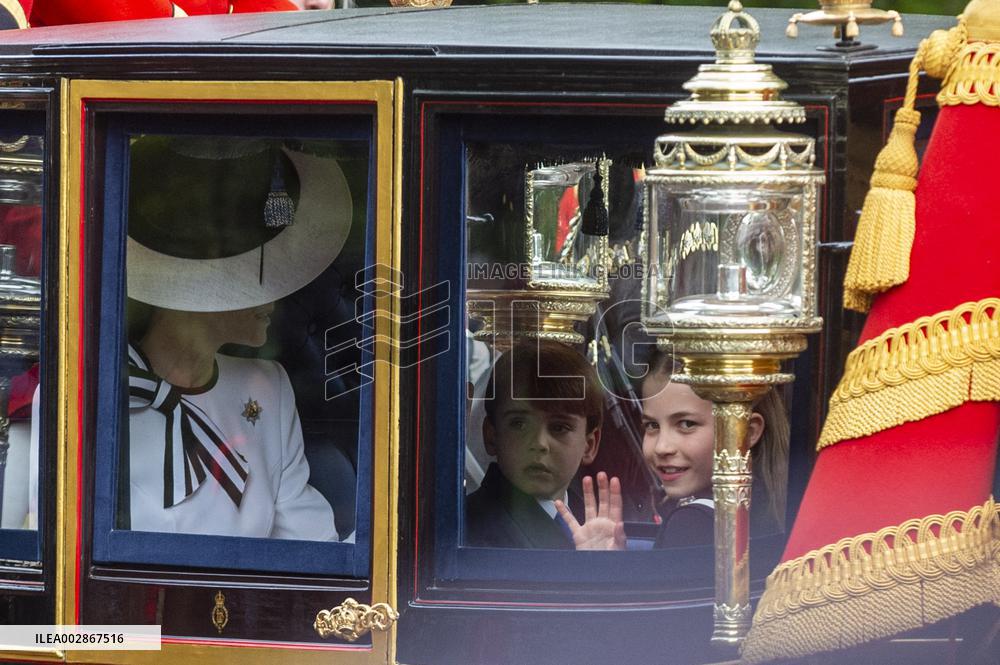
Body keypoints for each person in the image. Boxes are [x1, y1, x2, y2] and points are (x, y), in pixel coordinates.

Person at [125, 135, 354, 542]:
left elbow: (307, 544)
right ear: (196, 283)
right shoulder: (94, 392)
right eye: (253, 271)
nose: (278, 292)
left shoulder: (268, 387)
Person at [465, 339, 624, 550]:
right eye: (519, 424)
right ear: (491, 435)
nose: (539, 444)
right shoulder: (469, 531)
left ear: (589, 445)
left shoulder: (599, 525)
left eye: (559, 428)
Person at [638, 350, 787, 548]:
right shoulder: (776, 510)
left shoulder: (691, 525)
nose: (662, 447)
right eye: (652, 426)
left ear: (745, 431)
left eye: (686, 424)